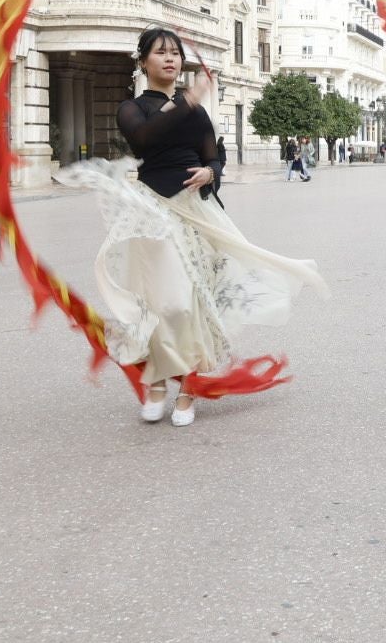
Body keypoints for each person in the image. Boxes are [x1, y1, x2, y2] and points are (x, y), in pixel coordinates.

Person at [59, 27, 325, 427]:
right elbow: (146, 141)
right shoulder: (133, 109)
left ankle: (185, 386)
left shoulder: (196, 111)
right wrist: (186, 102)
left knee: (190, 302)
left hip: (195, 209)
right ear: (143, 61)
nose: (170, 59)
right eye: (160, 53)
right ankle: (157, 383)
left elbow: (213, 155)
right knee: (163, 300)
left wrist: (210, 171)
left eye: (175, 54)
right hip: (153, 210)